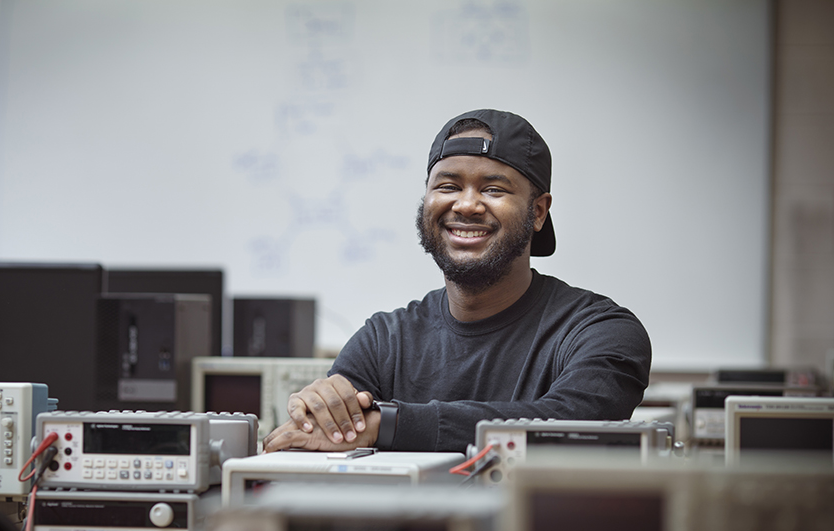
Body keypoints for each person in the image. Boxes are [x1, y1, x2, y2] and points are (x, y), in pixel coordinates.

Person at [264, 109, 651, 454]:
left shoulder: (599, 331)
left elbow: (572, 422)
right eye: (447, 186)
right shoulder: (384, 340)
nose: (465, 205)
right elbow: (331, 424)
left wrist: (391, 425)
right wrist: (322, 406)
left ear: (538, 212)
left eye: (493, 189)